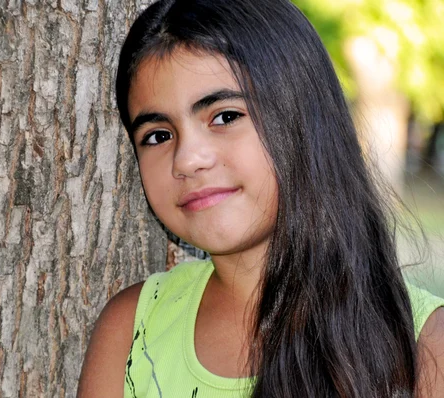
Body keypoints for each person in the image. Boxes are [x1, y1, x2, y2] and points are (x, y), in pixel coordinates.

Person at [78, 0, 444, 396]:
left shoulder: (423, 347)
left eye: (225, 116)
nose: (187, 159)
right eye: (158, 136)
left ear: (304, 118)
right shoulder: (132, 331)